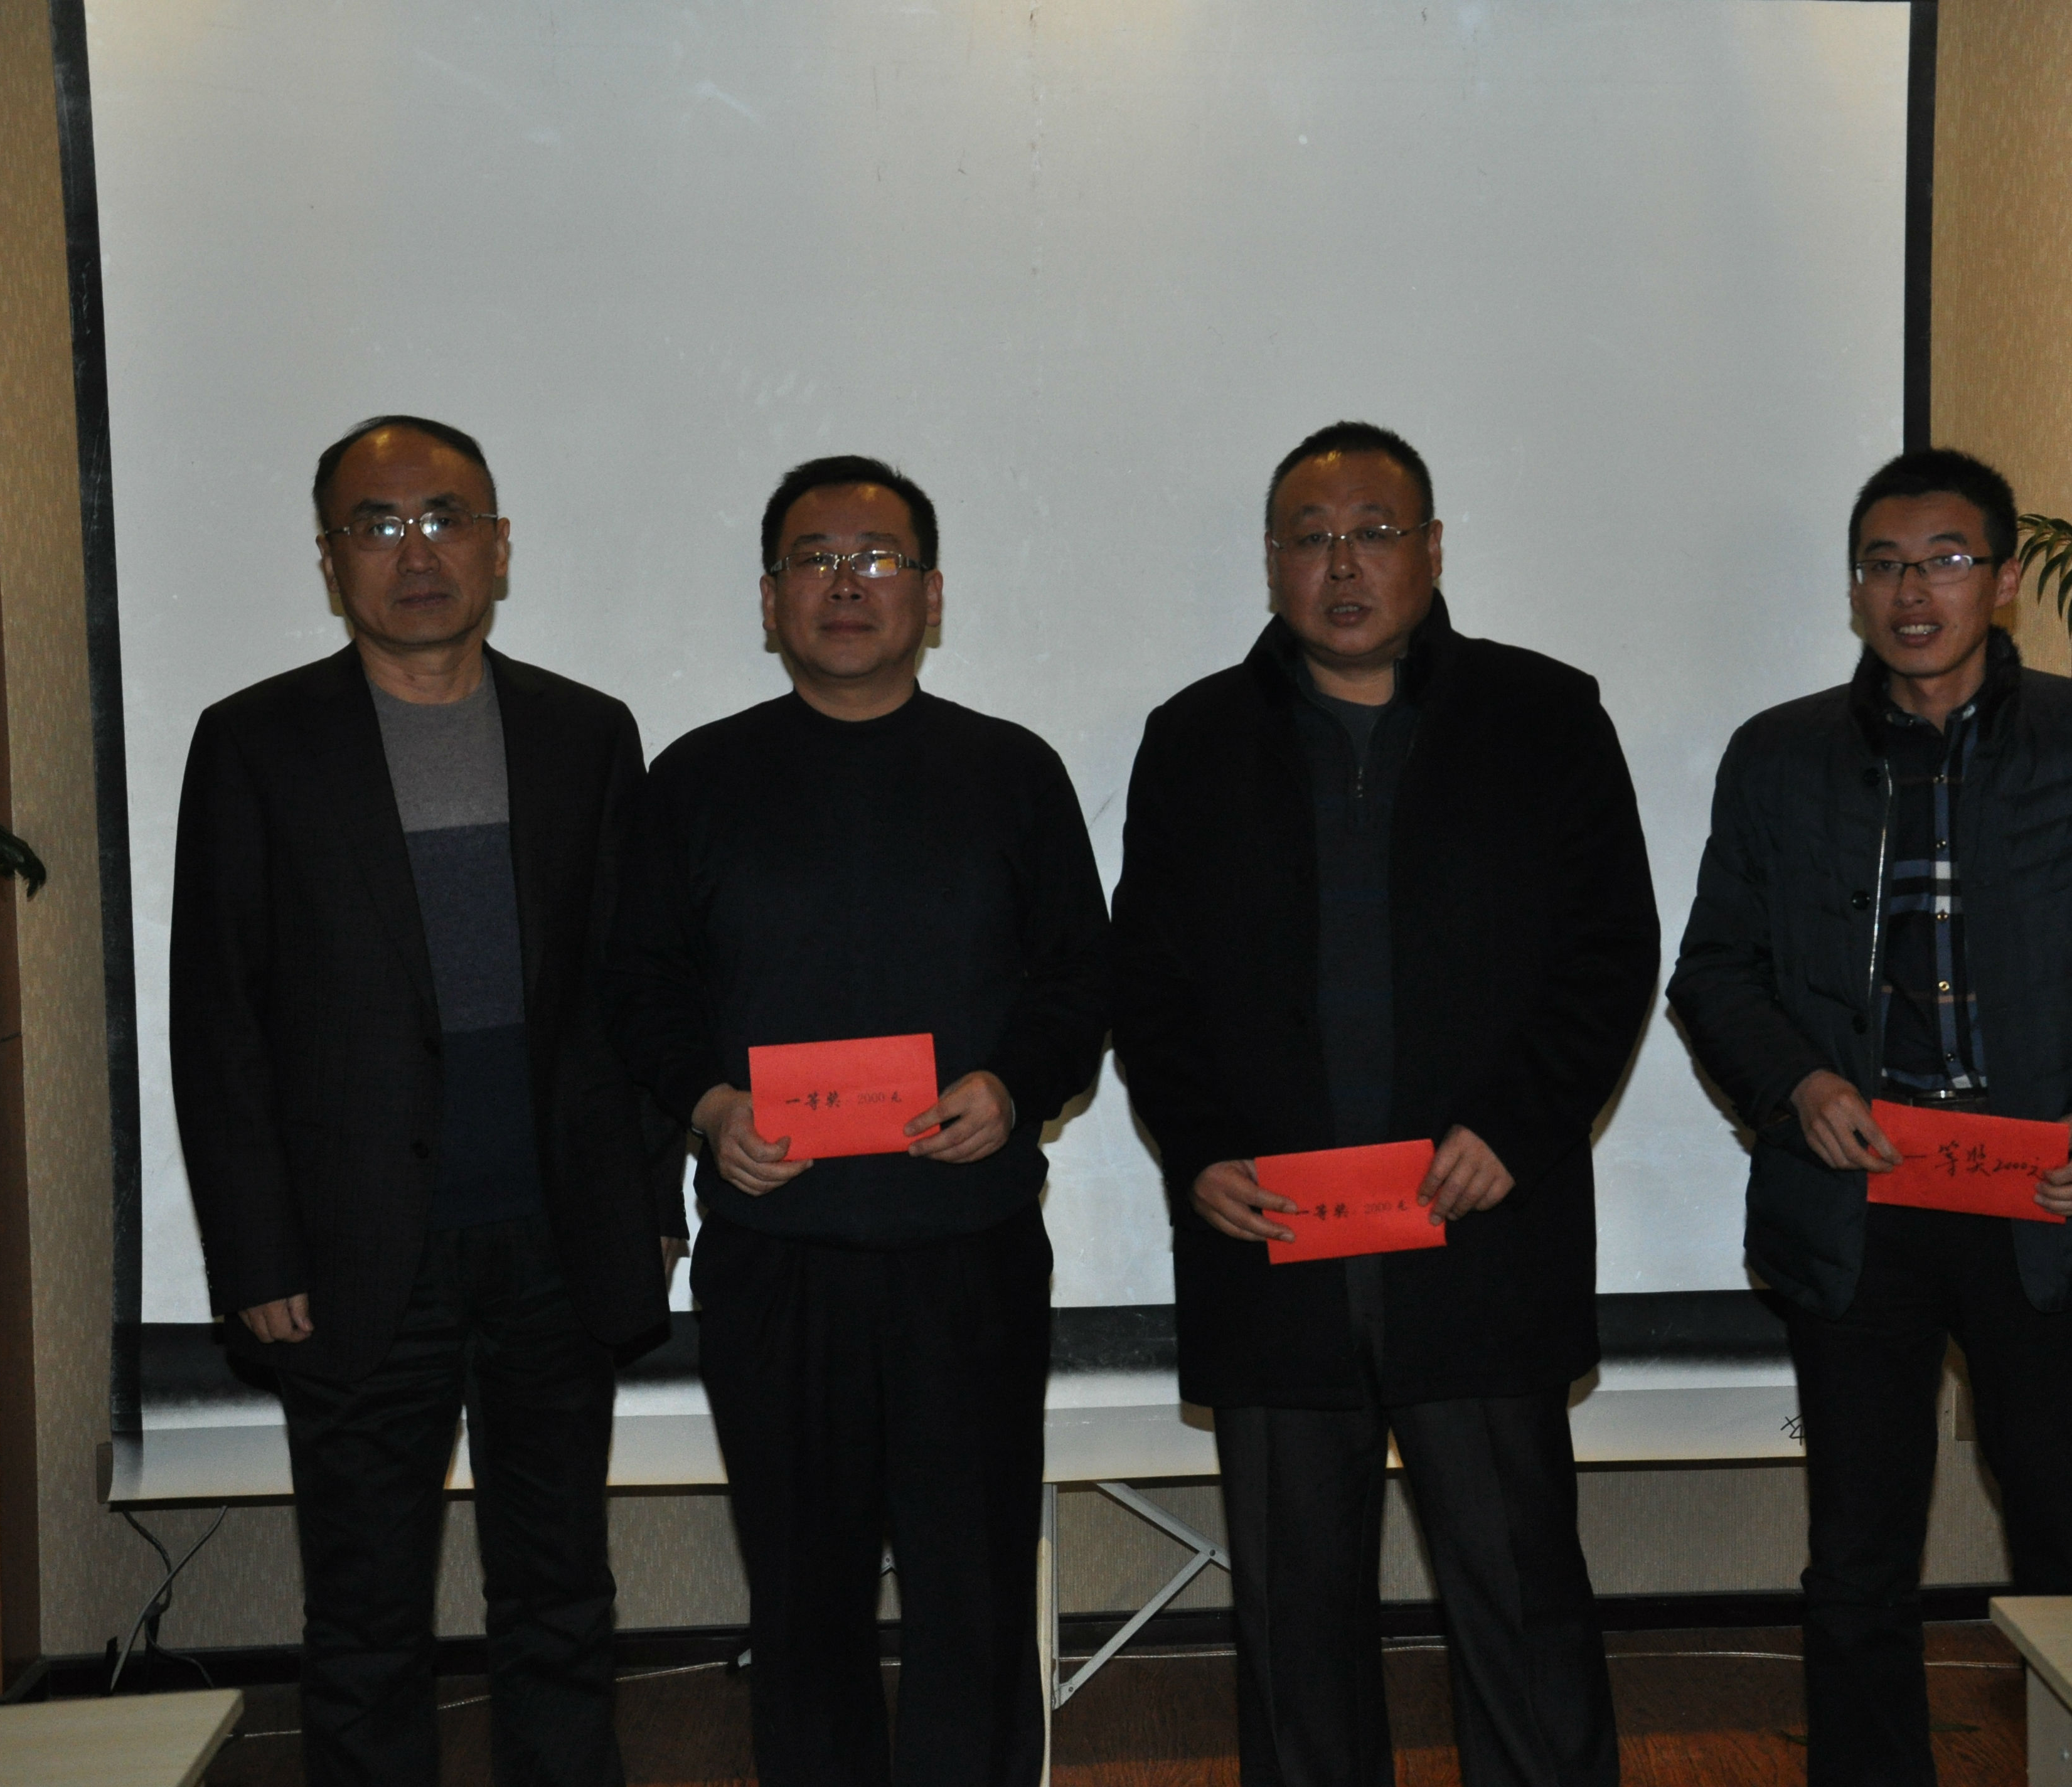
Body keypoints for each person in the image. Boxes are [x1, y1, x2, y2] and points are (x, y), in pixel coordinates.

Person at [1667, 447, 2072, 1787]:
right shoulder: (1779, 755)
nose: (1911, 592)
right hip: (1856, 1199)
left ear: (2006, 580)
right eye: (1882, 565)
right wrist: (1800, 1088)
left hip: (2037, 1196)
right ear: (1853, 588)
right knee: (1857, 1555)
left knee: (2067, 1540)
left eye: (1945, 560)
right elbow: (1714, 972)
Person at [1111, 421, 1659, 1787]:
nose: (1341, 565)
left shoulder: (1544, 716)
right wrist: (1199, 1149)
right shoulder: (1192, 741)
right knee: (1293, 1630)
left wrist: (1518, 1129)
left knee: (1522, 1605)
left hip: (1479, 1233)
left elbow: (1609, 953)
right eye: (1310, 538)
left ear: (1431, 550)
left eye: (1372, 532)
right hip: (1275, 1245)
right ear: (1271, 562)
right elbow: (1148, 981)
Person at [172, 415, 684, 1786]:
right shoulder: (257, 742)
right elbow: (217, 1020)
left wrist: (652, 1202)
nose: (416, 552)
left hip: (558, 1241)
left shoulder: (587, 734)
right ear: (330, 559)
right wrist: (255, 1251)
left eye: (446, 518)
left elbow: (633, 995)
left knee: (561, 1597)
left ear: (499, 546)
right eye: (378, 525)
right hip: (351, 1256)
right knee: (363, 1619)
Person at [610, 454, 1108, 1787]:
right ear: (769, 598)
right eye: (814, 559)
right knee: (801, 1605)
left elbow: (1078, 979)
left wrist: (1012, 1086)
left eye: (878, 558)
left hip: (967, 1254)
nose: (846, 583)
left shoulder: (1012, 771)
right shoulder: (696, 779)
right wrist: (710, 1105)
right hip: (777, 1257)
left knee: (975, 1594)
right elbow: (640, 989)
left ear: (931, 596)